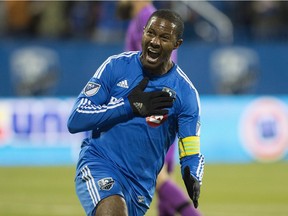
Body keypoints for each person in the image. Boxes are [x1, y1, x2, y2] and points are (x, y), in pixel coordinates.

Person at [67, 9, 204, 216]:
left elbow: (190, 147)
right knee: (113, 210)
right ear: (143, 33)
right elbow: (75, 119)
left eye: (164, 37)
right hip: (100, 163)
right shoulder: (115, 66)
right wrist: (129, 106)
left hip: (141, 186)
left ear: (177, 45)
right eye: (151, 33)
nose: (155, 42)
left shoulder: (185, 93)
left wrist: (192, 172)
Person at [116, 1, 203, 215]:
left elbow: (160, 64)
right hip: (158, 104)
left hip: (153, 106)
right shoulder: (143, 18)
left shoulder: (149, 20)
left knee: (155, 176)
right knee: (162, 179)